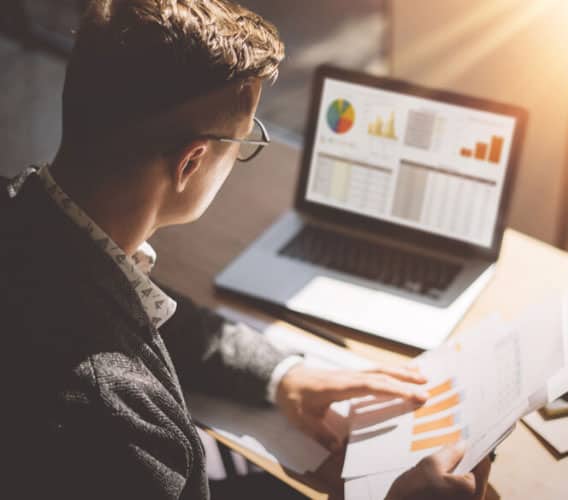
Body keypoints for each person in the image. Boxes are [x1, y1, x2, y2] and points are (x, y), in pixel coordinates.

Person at [0, 1, 491, 498]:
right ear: (190, 163)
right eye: (243, 141)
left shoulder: (25, 218)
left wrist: (282, 375)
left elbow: (129, 304)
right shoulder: (112, 415)